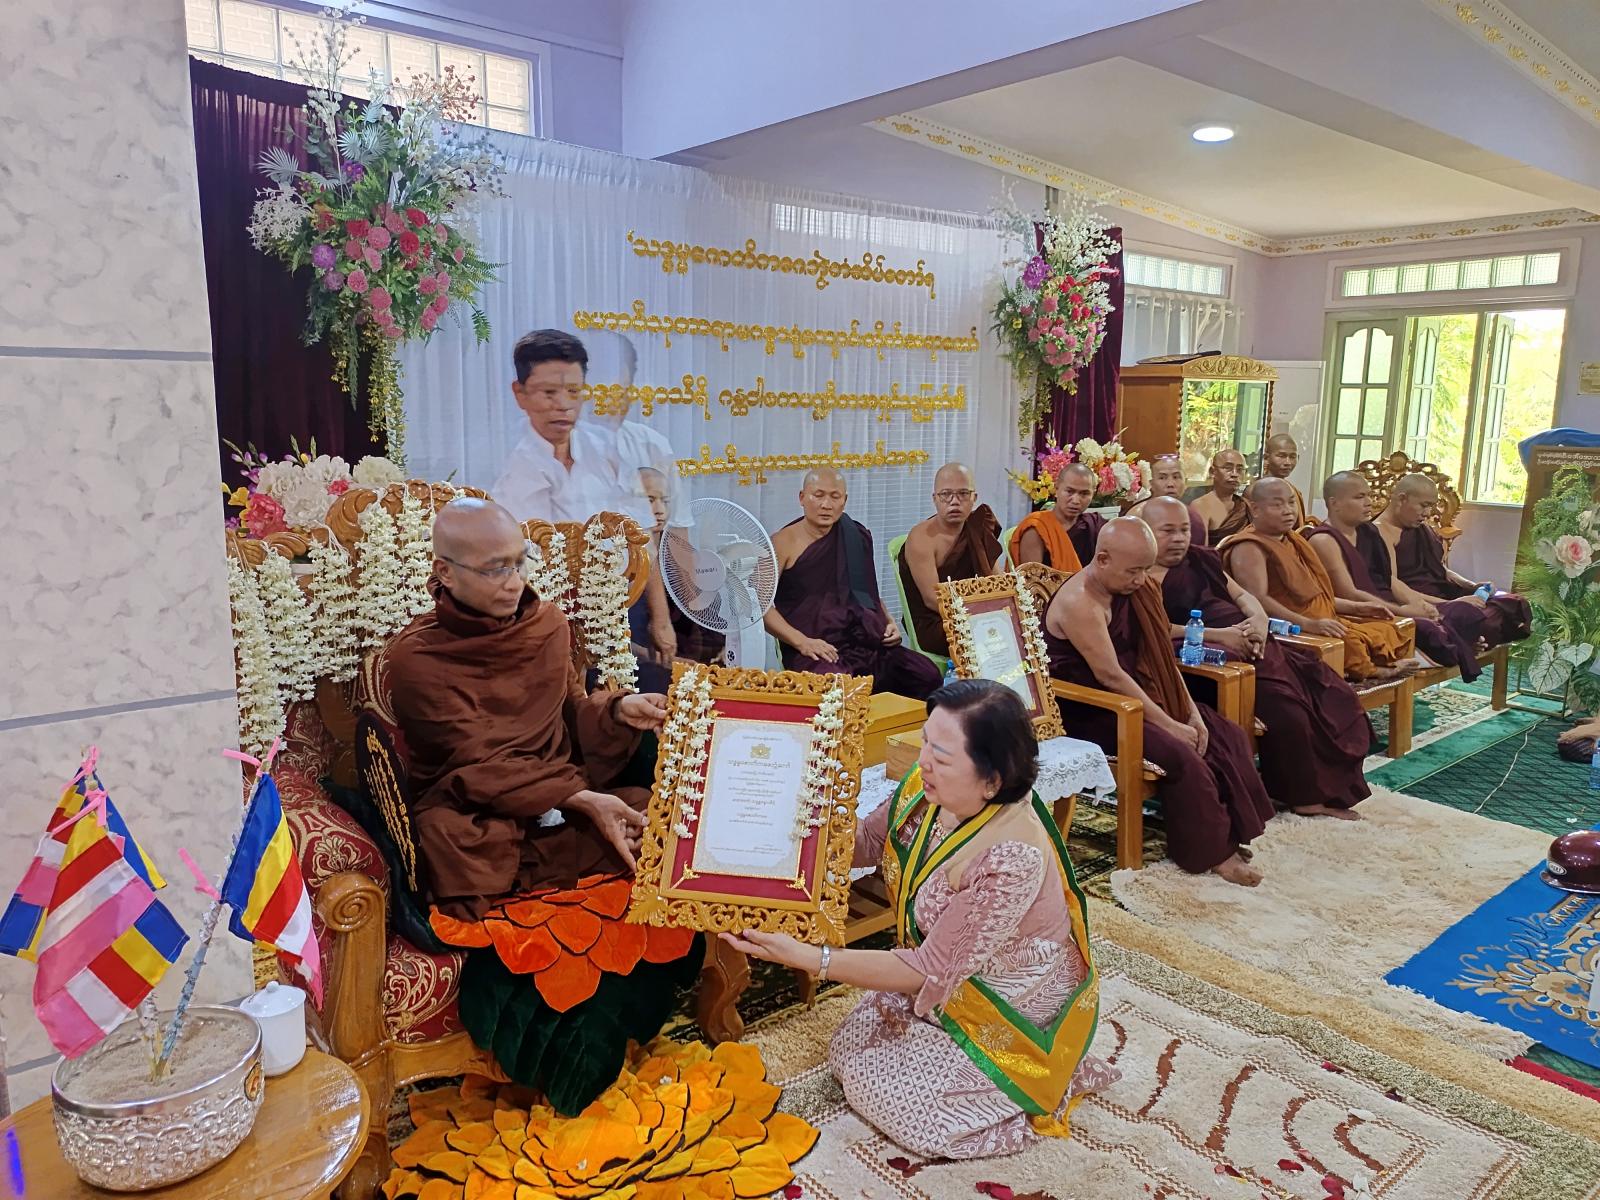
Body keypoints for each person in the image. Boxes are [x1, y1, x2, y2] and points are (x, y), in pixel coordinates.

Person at [385, 499, 698, 1110]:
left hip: (560, 796)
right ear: (445, 572)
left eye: (519, 562)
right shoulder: (415, 658)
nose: (514, 582)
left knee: (656, 817)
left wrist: (617, 711)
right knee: (453, 840)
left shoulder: (549, 625)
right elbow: (473, 763)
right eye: (494, 569)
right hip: (478, 811)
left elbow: (565, 720)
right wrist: (584, 800)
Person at [723, 680, 1119, 1158]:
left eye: (942, 755)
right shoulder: (926, 786)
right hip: (943, 963)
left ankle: (1031, 1087)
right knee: (851, 1050)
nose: (924, 760)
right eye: (926, 740)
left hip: (1006, 992)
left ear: (992, 780)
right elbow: (869, 842)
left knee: (914, 1113)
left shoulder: (1011, 856)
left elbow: (927, 968)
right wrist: (775, 815)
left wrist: (812, 958)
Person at [1043, 518, 1275, 885]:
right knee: (1180, 753)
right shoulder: (1080, 602)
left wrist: (1191, 712)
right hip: (1095, 708)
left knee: (1223, 732)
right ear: (1102, 559)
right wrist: (1170, 724)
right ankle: (1213, 853)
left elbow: (1159, 655)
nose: (1141, 580)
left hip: (1139, 693)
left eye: (1145, 570)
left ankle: (1231, 832)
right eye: (1133, 571)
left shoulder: (1135, 589)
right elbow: (1110, 676)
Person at [1140, 496, 1371, 818]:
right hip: (1210, 661)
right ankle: (1303, 796)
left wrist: (1259, 621)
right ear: (1146, 532)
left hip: (1257, 644)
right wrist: (1222, 635)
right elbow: (1155, 629)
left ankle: (1333, 787)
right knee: (1290, 713)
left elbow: (1241, 595)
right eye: (1168, 531)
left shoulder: (1200, 559)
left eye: (1184, 530)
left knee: (1333, 694)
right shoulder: (1139, 574)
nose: (1179, 538)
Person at [492, 329, 678, 662]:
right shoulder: (510, 468)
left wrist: (661, 620)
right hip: (547, 621)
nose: (563, 405)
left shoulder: (607, 449)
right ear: (520, 394)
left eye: (573, 392)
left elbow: (643, 536)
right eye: (549, 393)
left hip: (625, 607)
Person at [766, 468, 943, 698]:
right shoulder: (781, 543)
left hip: (865, 643)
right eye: (818, 495)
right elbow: (759, 607)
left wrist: (889, 622)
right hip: (816, 648)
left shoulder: (855, 535)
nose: (826, 504)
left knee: (926, 675)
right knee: (837, 689)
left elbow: (868, 592)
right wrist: (802, 642)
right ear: (802, 497)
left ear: (845, 500)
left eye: (835, 496)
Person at [1221, 478, 1418, 682]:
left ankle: (1375, 667)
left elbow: (1314, 595)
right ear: (1255, 509)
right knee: (1350, 642)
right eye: (1277, 505)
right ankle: (1373, 671)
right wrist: (1309, 624)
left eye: (1291, 502)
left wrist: (1357, 608)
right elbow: (1258, 601)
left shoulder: (1293, 540)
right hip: (1291, 626)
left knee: (1385, 628)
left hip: (1323, 617)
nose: (1288, 511)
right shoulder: (1249, 547)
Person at [1307, 472, 1482, 682]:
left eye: (1369, 495)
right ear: (1334, 503)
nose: (1369, 502)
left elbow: (1388, 580)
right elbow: (1350, 593)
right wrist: (1402, 611)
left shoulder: (1368, 532)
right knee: (1430, 629)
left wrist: (1419, 604)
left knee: (1461, 612)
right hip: (1361, 610)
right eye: (1360, 497)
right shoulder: (1324, 540)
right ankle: (1447, 651)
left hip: (1385, 604)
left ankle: (1452, 649)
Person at [1377, 473, 1532, 647]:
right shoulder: (1380, 532)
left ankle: (1469, 636)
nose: (1427, 513)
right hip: (1422, 604)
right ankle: (1468, 637)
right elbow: (1393, 586)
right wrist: (1451, 604)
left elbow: (1440, 568)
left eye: (1431, 506)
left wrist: (1471, 585)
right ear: (1402, 499)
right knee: (1480, 620)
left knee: (1514, 603)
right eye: (1423, 506)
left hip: (1445, 593)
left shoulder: (1420, 527)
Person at [899, 462, 1003, 657]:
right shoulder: (922, 537)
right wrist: (979, 617)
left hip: (974, 612)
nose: (954, 502)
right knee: (991, 637)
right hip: (936, 621)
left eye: (963, 494)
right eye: (946, 494)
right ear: (935, 499)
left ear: (974, 498)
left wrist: (1002, 611)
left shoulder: (977, 527)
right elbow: (932, 600)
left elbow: (997, 581)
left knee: (1018, 629)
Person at [1009, 463, 1104, 570]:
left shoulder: (1094, 524)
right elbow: (1031, 578)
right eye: (1069, 491)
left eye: (1084, 494)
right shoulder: (1038, 527)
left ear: (1093, 494)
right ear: (1056, 489)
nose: (1076, 501)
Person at [1126, 453, 1207, 547]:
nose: (1170, 484)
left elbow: (1200, 551)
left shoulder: (1193, 516)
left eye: (1176, 477)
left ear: (1185, 482)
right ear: (1151, 483)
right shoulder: (1138, 514)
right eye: (1162, 478)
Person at [1190, 449, 1251, 542]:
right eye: (1228, 468)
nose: (1234, 474)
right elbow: (1200, 548)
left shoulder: (1245, 506)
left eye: (1240, 470)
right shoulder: (1201, 506)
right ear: (1212, 472)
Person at [1262, 434, 1307, 526]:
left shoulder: (1293, 490)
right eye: (1281, 456)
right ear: (1266, 458)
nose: (1288, 462)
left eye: (1292, 457)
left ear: (1298, 458)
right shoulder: (1257, 490)